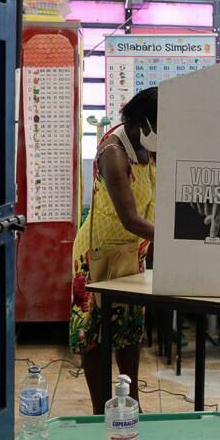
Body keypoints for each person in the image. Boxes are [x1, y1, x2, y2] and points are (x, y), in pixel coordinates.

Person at [70, 87, 158, 413]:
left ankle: (131, 404)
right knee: (95, 334)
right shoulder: (113, 153)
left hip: (131, 253)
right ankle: (99, 411)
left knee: (129, 331)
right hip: (98, 255)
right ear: (143, 123)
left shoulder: (149, 149)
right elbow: (130, 218)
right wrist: (177, 238)